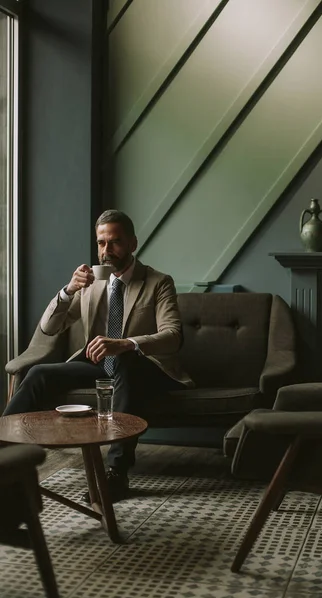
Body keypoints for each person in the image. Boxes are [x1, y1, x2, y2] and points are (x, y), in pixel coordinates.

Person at [3, 209, 194, 501]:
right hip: (98, 366)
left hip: (143, 367)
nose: (107, 250)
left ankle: (116, 472)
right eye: (101, 243)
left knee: (127, 363)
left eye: (115, 242)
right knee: (39, 374)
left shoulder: (158, 282)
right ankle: (3, 454)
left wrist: (125, 343)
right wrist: (69, 291)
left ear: (132, 243)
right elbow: (50, 327)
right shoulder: (91, 284)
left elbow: (173, 337)